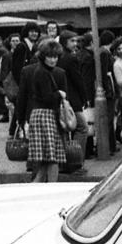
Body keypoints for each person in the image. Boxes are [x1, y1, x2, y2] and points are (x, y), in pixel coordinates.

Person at [15, 37, 71, 184]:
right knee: (52, 157)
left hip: (42, 115)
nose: (53, 60)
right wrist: (60, 94)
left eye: (55, 57)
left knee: (47, 159)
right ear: (43, 56)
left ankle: (36, 186)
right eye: (50, 57)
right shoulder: (44, 72)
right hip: (45, 115)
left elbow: (23, 98)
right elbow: (47, 97)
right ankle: (51, 187)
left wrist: (20, 119)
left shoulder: (42, 71)